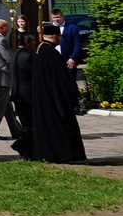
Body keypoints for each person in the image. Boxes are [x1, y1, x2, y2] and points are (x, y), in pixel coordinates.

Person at [23, 26, 86, 163]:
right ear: (54, 37)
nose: (60, 39)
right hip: (53, 99)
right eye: (60, 37)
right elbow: (60, 81)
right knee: (62, 126)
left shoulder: (38, 50)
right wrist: (68, 97)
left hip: (42, 97)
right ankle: (68, 155)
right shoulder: (52, 54)